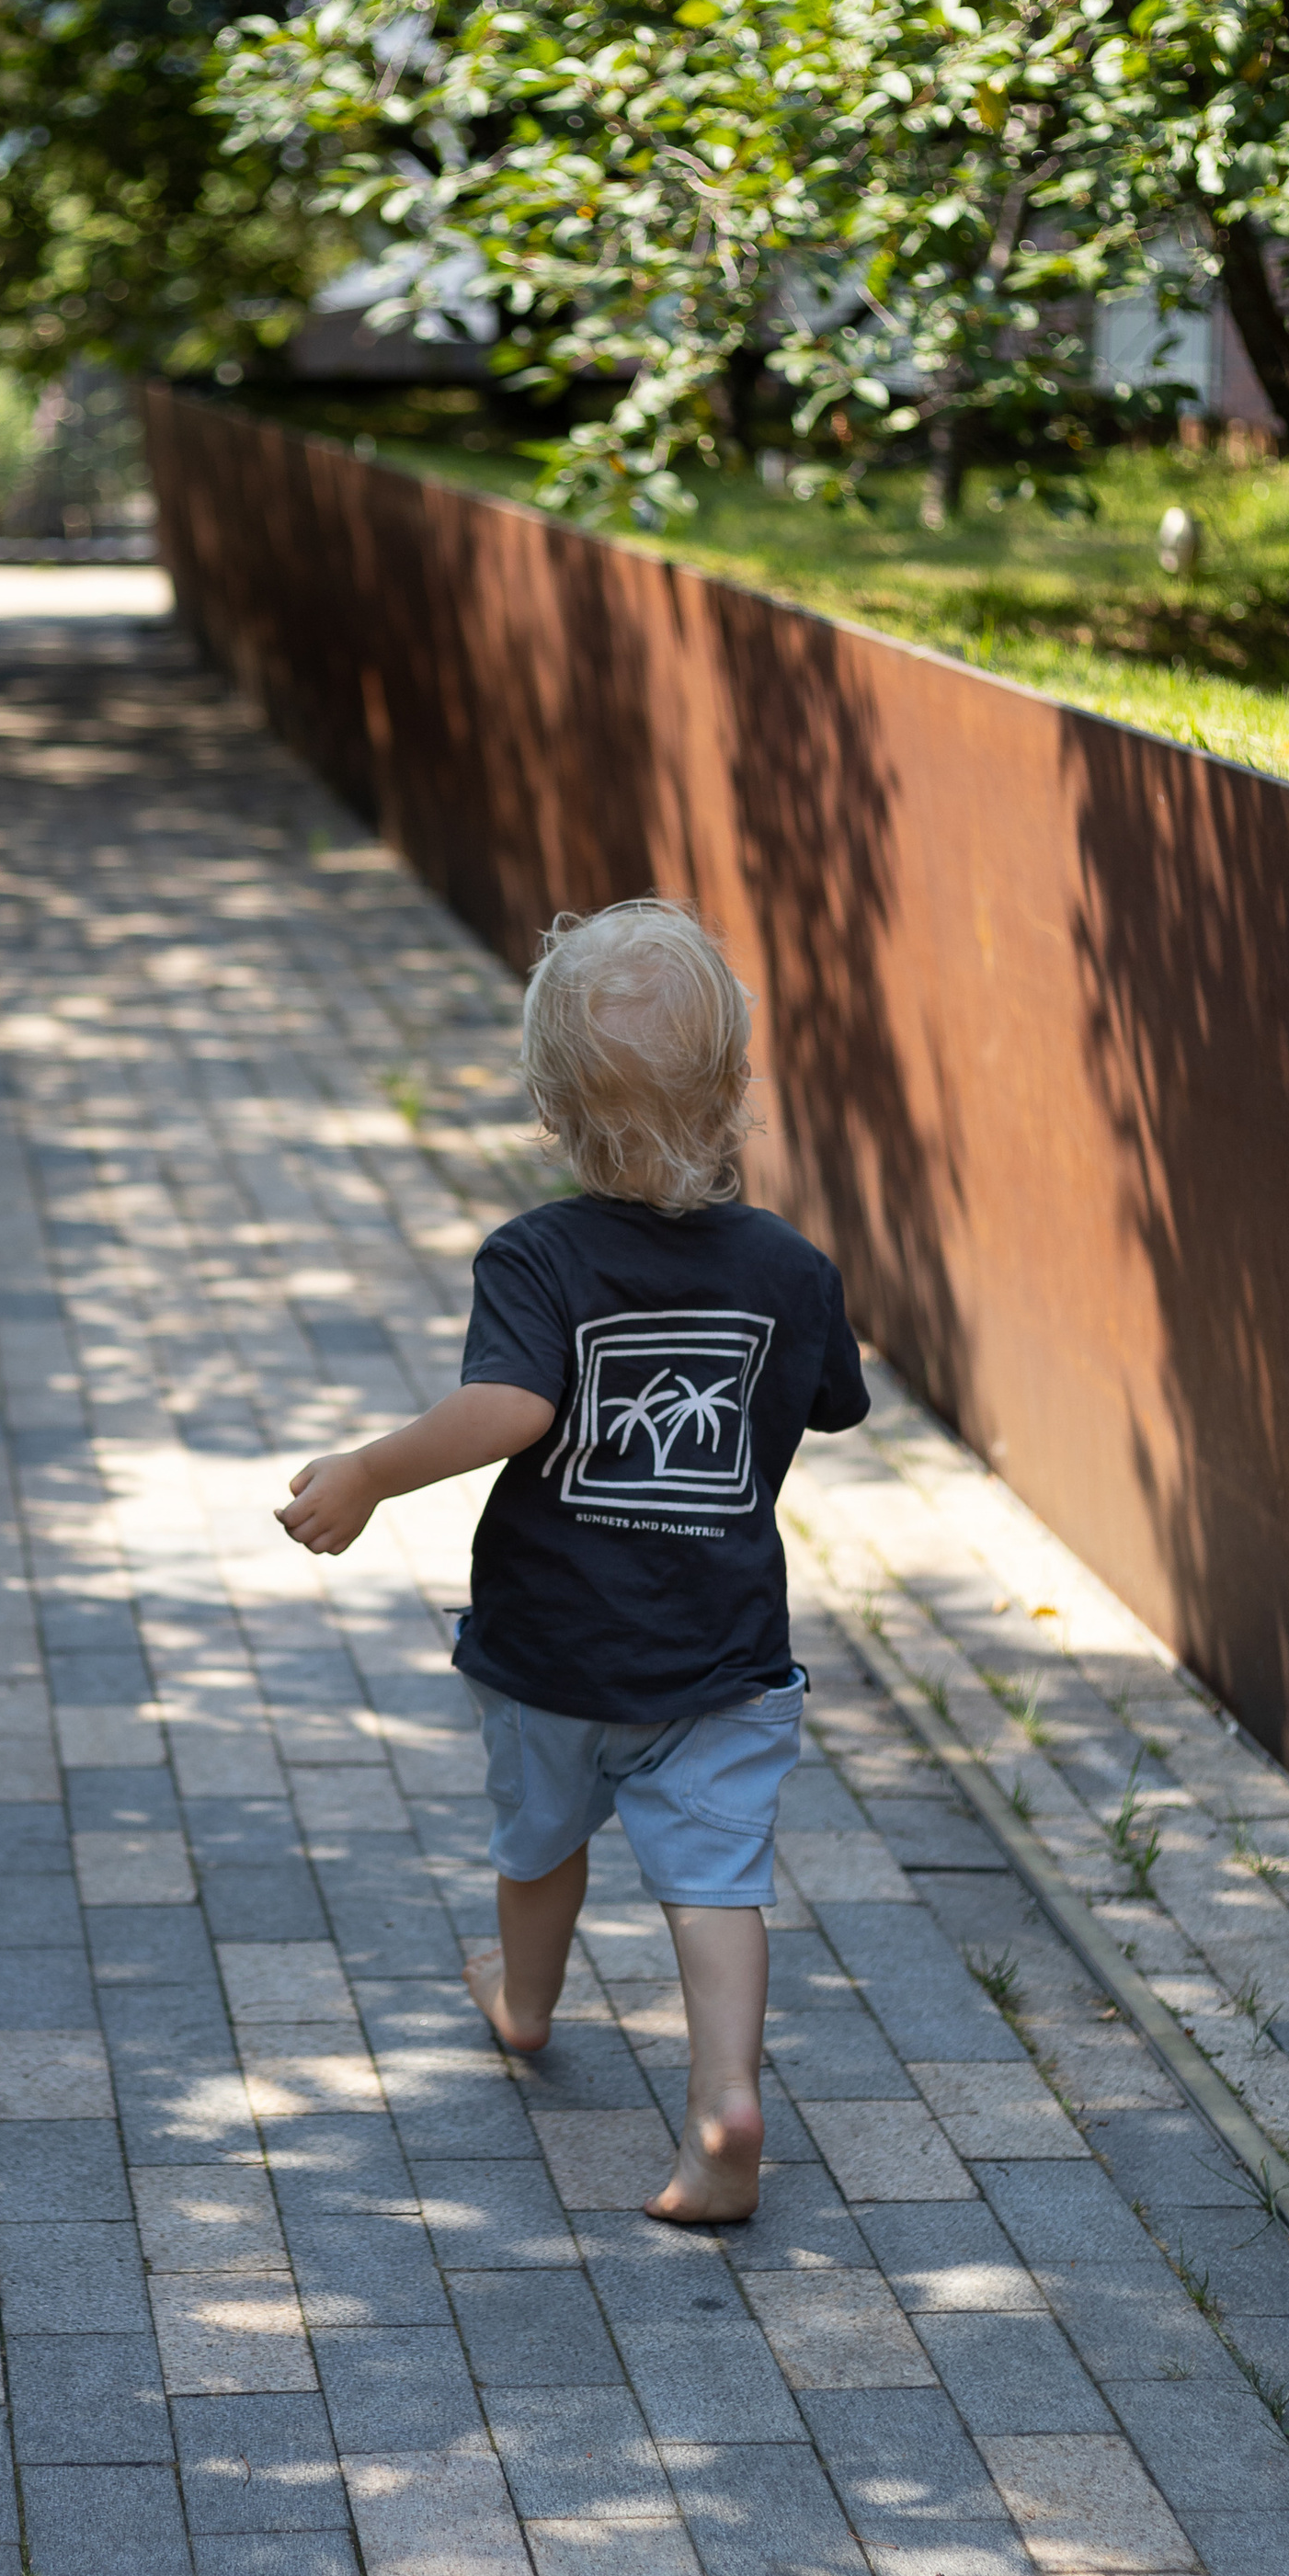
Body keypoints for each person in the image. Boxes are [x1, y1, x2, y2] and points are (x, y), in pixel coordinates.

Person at [277, 896, 868, 2226]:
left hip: (554, 1653)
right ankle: (724, 2104)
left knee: (540, 1843)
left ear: (552, 1109)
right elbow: (829, 1402)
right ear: (733, 1091)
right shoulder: (792, 1268)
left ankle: (528, 2004)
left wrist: (370, 1471)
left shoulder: (537, 1256)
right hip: (721, 1658)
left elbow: (514, 1409)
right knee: (716, 1885)